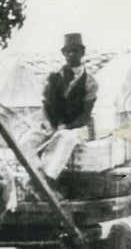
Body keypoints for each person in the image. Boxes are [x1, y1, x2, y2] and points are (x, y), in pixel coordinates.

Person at [39, 33, 99, 179]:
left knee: (64, 138)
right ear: (63, 53)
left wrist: (66, 127)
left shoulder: (89, 82)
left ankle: (48, 180)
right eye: (68, 51)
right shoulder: (54, 77)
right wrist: (49, 125)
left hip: (79, 128)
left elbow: (85, 115)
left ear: (82, 53)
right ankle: (33, 174)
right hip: (55, 126)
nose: (72, 54)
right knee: (30, 138)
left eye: (76, 50)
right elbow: (46, 105)